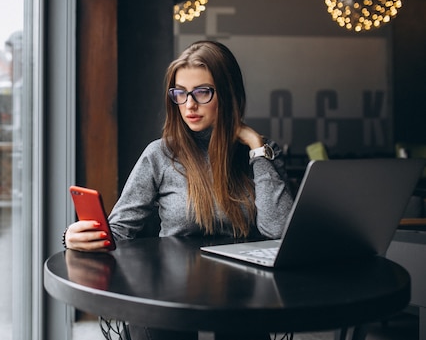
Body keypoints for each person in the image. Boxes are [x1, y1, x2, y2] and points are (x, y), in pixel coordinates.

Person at [64, 40, 294, 340]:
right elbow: (119, 230)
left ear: (228, 93)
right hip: (171, 294)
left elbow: (278, 230)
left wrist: (254, 144)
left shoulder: (259, 154)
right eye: (180, 93)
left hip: (244, 297)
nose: (189, 105)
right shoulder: (160, 155)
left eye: (202, 92)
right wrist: (75, 236)